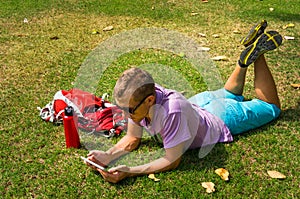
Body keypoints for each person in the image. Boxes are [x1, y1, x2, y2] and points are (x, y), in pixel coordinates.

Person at [84, 20, 282, 183]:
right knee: (229, 93)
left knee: (270, 107)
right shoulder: (140, 97)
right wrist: (108, 155)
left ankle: (258, 54)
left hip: (220, 116)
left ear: (150, 100)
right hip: (200, 103)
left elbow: (172, 160)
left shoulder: (171, 112)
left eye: (128, 110)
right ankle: (243, 59)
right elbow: (132, 138)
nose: (124, 115)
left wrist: (130, 171)